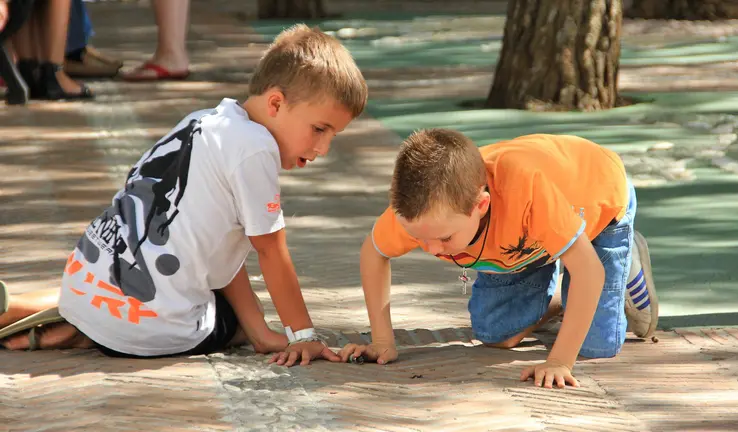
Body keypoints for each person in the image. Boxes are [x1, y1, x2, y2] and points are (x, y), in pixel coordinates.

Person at [0, 24, 368, 367]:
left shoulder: (201, 122)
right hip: (144, 330)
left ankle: (30, 311)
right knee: (229, 320)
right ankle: (68, 335)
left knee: (203, 289)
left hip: (84, 283)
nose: (323, 148)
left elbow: (220, 249)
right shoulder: (257, 149)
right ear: (275, 103)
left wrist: (262, 332)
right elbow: (271, 250)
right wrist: (301, 335)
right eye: (319, 129)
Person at [339, 129, 658, 388]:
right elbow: (374, 252)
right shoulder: (426, 211)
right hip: (531, 235)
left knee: (595, 347)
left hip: (600, 205)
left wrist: (559, 361)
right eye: (421, 238)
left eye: (444, 239)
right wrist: (382, 341)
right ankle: (566, 281)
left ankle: (626, 258)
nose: (432, 249)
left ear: (481, 206)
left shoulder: (526, 190)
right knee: (496, 334)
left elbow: (589, 270)